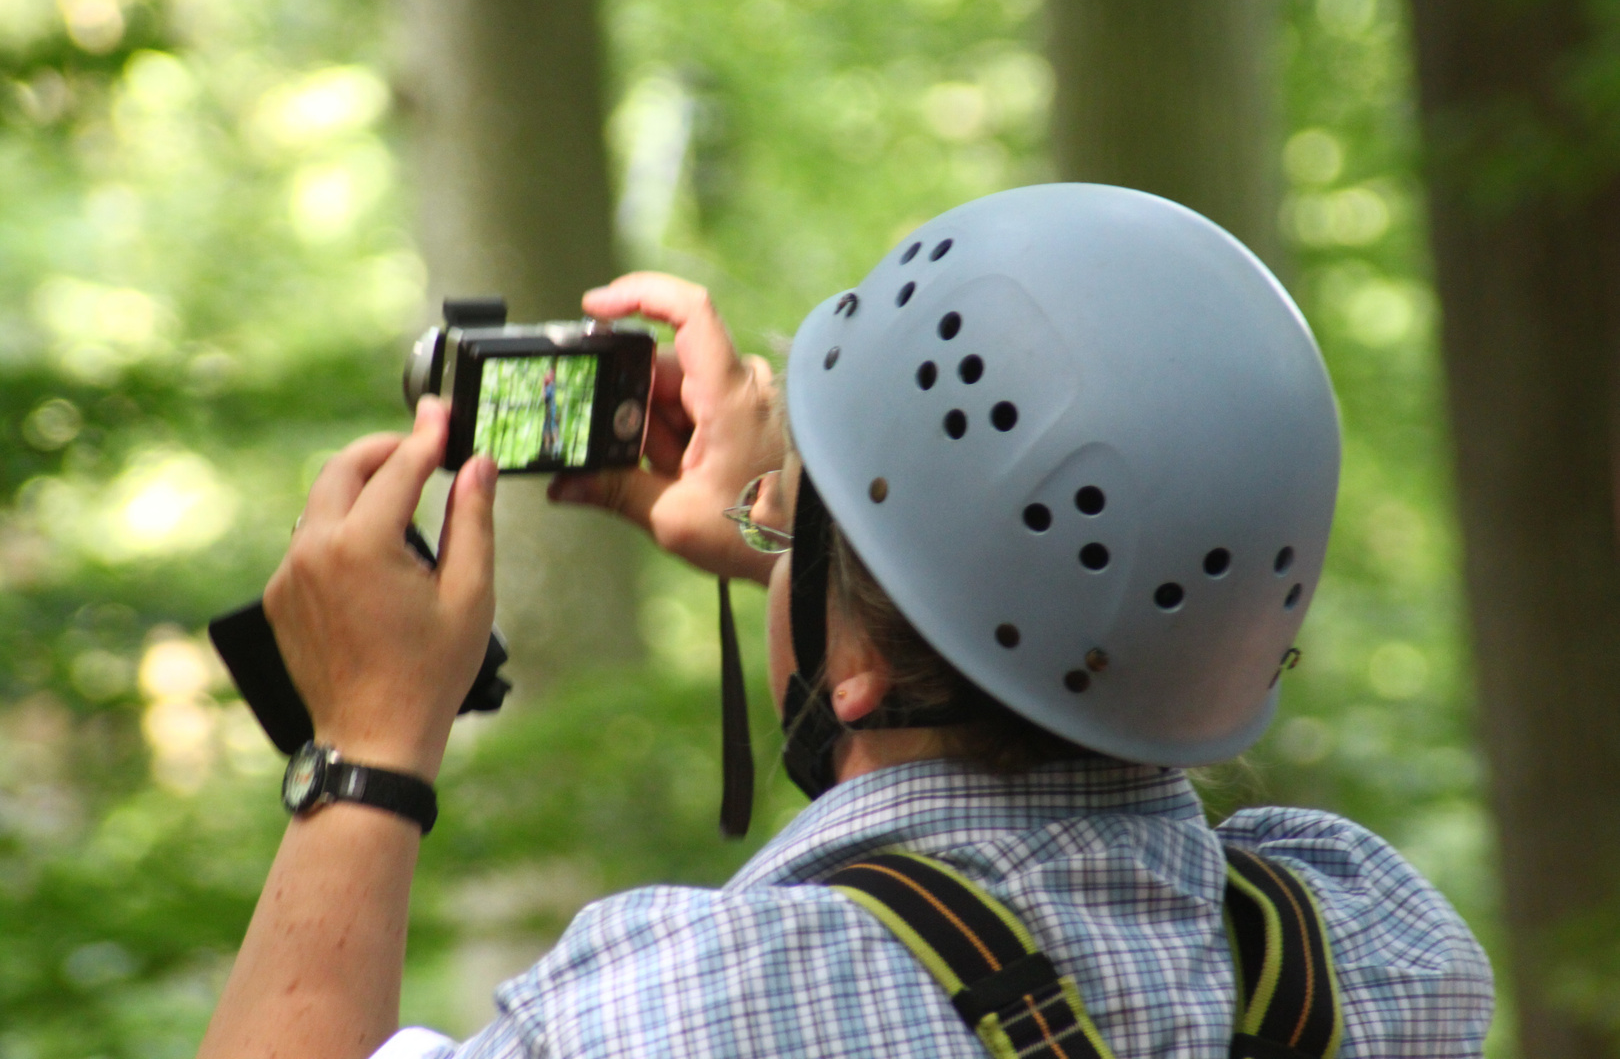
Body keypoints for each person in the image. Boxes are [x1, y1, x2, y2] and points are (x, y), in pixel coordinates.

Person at [197, 185, 1493, 1059]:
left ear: (858, 669)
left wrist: (365, 746)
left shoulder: (693, 1007)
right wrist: (801, 550)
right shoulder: (1372, 952)